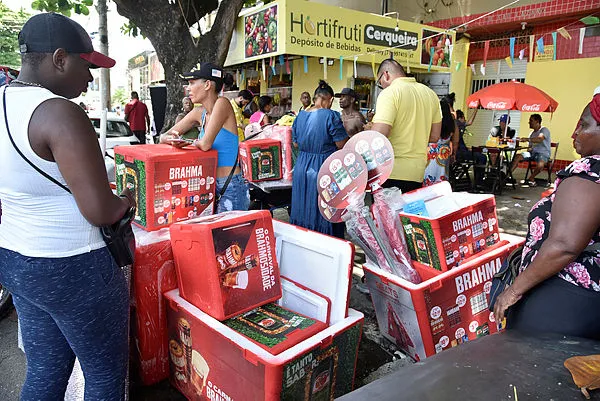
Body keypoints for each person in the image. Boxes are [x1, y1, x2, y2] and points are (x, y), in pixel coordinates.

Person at [0, 13, 134, 399]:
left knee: (44, 368)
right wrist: (127, 200)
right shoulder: (60, 112)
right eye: (87, 65)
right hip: (73, 264)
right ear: (60, 58)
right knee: (105, 376)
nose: (91, 78)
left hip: (16, 258)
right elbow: (100, 211)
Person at [493, 90, 600, 340]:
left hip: (563, 299)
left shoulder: (589, 171)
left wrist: (512, 291)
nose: (575, 133)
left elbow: (564, 245)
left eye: (584, 125)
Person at [160, 62, 249, 213]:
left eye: (192, 83)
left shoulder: (222, 103)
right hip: (209, 185)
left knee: (229, 236)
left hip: (230, 185)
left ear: (207, 84)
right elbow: (164, 136)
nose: (188, 88)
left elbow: (206, 144)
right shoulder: (198, 112)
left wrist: (184, 141)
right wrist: (171, 140)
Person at [370, 59, 442, 193]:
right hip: (417, 173)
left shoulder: (390, 93)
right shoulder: (431, 95)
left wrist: (369, 130)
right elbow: (434, 136)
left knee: (386, 214)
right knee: (407, 214)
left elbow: (379, 135)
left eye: (380, 83)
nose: (382, 86)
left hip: (390, 172)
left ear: (385, 75)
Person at [291, 80, 349, 238]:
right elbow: (341, 144)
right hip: (323, 167)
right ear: (330, 100)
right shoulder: (331, 116)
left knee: (302, 206)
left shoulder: (300, 115)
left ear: (315, 98)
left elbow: (295, 143)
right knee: (324, 208)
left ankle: (302, 240)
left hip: (302, 167)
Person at [423, 99, 458, 186]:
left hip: (430, 152)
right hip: (444, 153)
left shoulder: (432, 121)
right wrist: (454, 154)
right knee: (442, 176)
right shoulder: (452, 123)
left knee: (428, 174)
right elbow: (455, 141)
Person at [511, 113, 551, 187]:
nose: (529, 122)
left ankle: (531, 178)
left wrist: (527, 139)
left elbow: (539, 139)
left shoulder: (544, 130)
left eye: (531, 120)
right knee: (517, 157)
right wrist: (523, 148)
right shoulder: (532, 133)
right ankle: (508, 176)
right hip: (532, 153)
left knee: (541, 164)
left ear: (537, 121)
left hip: (543, 153)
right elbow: (530, 147)